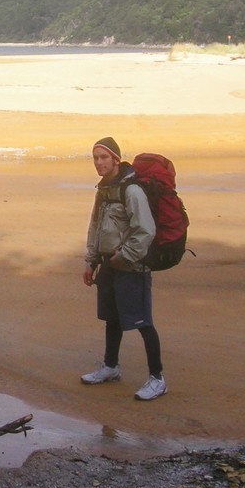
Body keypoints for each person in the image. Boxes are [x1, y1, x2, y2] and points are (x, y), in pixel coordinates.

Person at [81, 136, 167, 401]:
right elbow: (95, 227)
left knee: (142, 322)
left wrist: (125, 256)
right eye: (95, 158)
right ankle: (110, 367)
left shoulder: (132, 191)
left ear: (116, 159)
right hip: (108, 264)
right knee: (112, 317)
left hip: (132, 266)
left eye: (104, 157)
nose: (99, 162)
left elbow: (146, 231)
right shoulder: (103, 191)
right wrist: (91, 261)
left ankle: (157, 379)